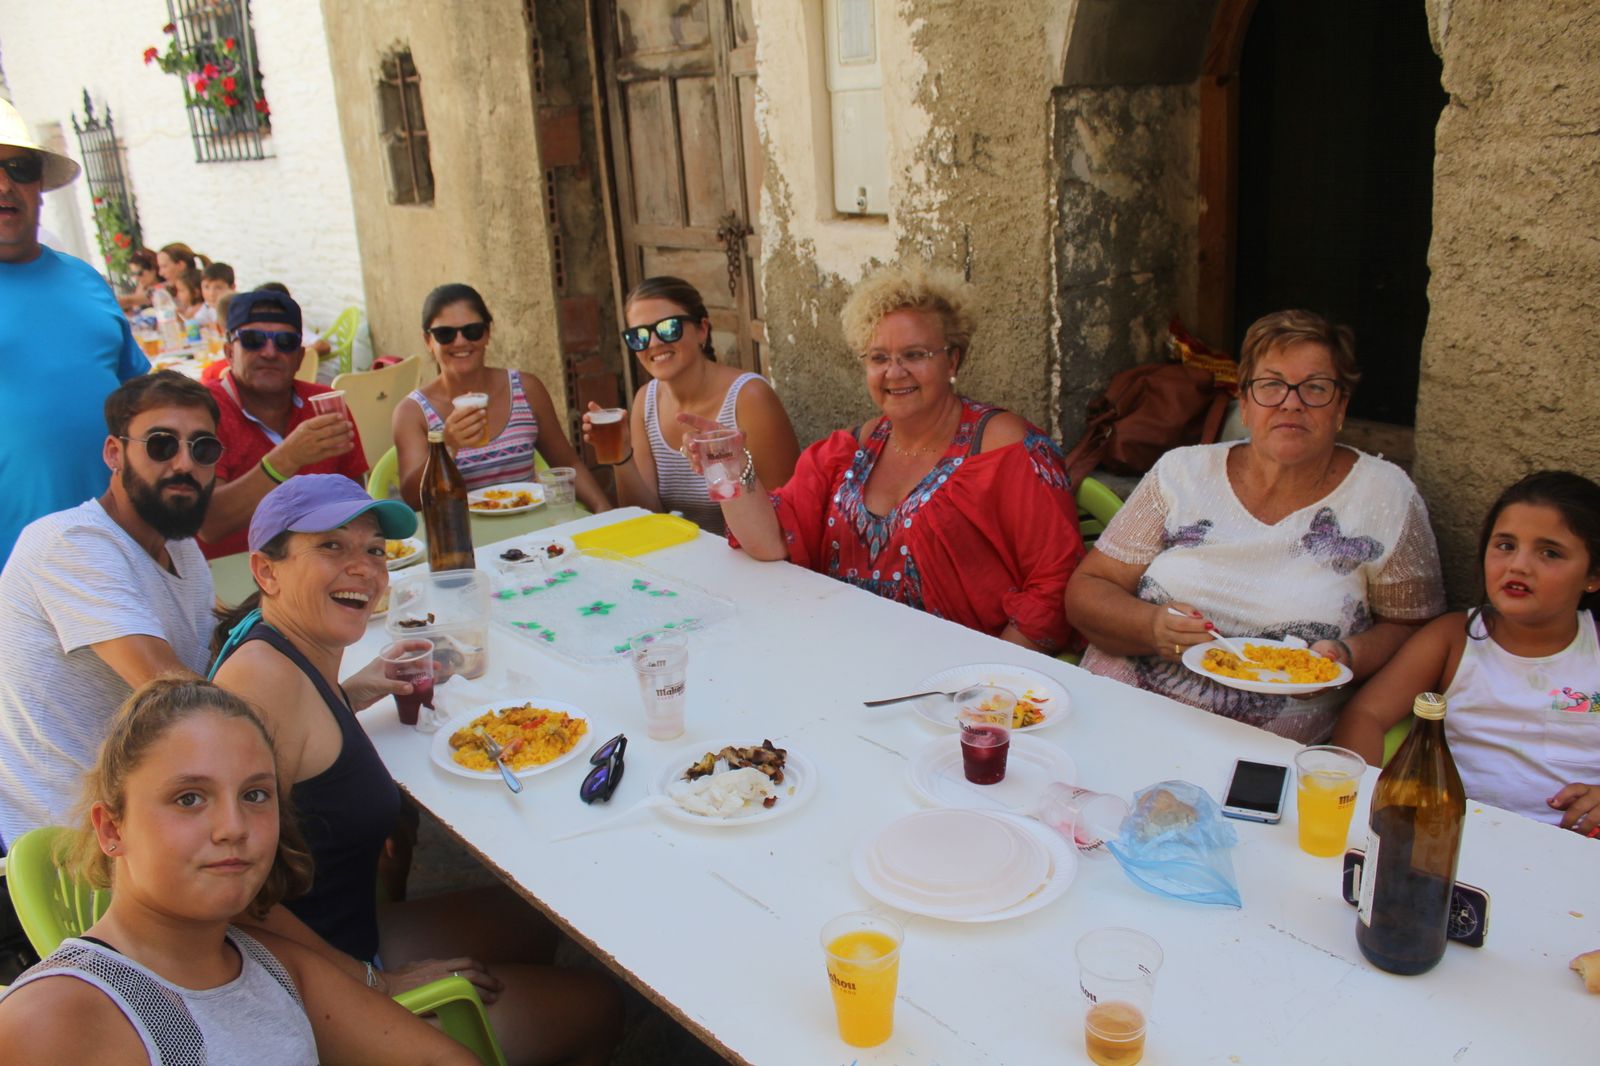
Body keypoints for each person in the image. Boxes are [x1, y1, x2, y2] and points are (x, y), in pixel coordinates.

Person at [211, 475, 623, 1065]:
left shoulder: (281, 647)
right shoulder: (259, 683)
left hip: (338, 931)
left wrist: (356, 689)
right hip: (301, 994)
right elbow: (232, 894)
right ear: (266, 569)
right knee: (598, 1002)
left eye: (374, 550)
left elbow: (300, 736)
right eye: (331, 546)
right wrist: (374, 984)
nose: (365, 568)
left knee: (532, 921)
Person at [0, 678, 477, 1065]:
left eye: (254, 795)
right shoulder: (58, 1017)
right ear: (111, 830)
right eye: (189, 798)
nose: (233, 827)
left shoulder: (264, 962)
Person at [1065, 309, 1447, 742]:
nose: (1291, 402)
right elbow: (1088, 589)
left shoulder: (1386, 496)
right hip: (1117, 712)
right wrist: (1151, 628)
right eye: (1271, 385)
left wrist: (1346, 656)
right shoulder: (1181, 472)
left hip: (1263, 750)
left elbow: (1417, 631)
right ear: (1244, 404)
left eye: (1315, 388)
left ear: (1341, 408)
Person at [702, 263, 1085, 652]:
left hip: (955, 679)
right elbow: (768, 542)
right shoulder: (849, 451)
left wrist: (987, 682)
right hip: (840, 655)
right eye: (878, 357)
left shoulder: (1004, 449)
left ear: (952, 361)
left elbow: (1055, 586)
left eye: (914, 354)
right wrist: (727, 466)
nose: (895, 372)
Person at [0, 373, 221, 848]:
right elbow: (172, 695)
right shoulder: (70, 544)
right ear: (114, 454)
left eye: (203, 449)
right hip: (73, 840)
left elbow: (215, 664)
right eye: (161, 445)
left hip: (158, 800)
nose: (185, 463)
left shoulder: (181, 551)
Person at [1334, 471, 1600, 831]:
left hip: (1575, 847)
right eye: (1505, 545)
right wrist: (1368, 801)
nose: (1518, 565)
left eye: (1550, 552)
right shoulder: (1455, 638)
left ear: (1593, 575)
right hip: (1452, 837)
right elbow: (1366, 713)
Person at [0, 97, 146, 570]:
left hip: (121, 547)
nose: (5, 185)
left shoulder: (84, 279)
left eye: (19, 168)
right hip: (19, 569)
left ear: (39, 184)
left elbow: (141, 398)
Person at [581, 275, 799, 533]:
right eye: (638, 335)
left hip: (754, 561)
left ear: (702, 330)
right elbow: (645, 519)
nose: (653, 343)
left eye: (668, 328)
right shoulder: (645, 401)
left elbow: (786, 513)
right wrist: (622, 457)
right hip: (680, 561)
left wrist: (726, 463)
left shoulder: (750, 398)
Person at [394, 282, 612, 514]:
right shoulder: (412, 412)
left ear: (487, 333)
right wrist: (447, 445)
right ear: (428, 341)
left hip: (534, 533)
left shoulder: (526, 389)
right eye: (445, 334)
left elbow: (567, 463)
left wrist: (604, 509)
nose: (460, 342)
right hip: (462, 541)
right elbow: (413, 501)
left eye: (472, 331)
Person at [199, 289, 365, 559]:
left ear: (299, 357)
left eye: (285, 342)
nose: (269, 352)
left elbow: (355, 500)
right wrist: (287, 458)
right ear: (229, 352)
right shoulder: (202, 411)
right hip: (233, 574)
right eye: (253, 340)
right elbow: (209, 524)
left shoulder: (323, 404)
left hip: (321, 567)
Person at [115, 247, 162, 313]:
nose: (136, 278)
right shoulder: (141, 287)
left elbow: (130, 301)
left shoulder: (165, 288)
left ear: (153, 269)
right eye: (133, 274)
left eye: (139, 273)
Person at [193, 260, 236, 328]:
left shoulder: (236, 309)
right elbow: (197, 322)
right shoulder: (207, 306)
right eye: (206, 287)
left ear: (232, 287)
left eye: (218, 288)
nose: (211, 293)